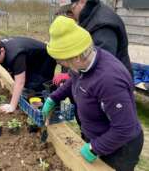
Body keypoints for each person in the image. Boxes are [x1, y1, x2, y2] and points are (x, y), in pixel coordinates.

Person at [43, 16, 143, 171]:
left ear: (76, 57)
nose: (60, 64)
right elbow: (74, 80)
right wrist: (54, 98)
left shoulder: (109, 80)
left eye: (61, 61)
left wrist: (95, 148)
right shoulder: (83, 63)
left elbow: (125, 128)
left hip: (120, 148)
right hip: (97, 135)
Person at [53, 0, 132, 85]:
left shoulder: (103, 25)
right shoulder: (86, 18)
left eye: (70, 12)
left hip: (114, 83)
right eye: (65, 13)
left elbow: (100, 62)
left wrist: (70, 74)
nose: (69, 17)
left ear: (82, 2)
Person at [0, 37, 56, 113]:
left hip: (44, 60)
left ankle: (47, 107)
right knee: (27, 82)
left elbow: (20, 82)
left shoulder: (16, 55)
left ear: (2, 51)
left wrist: (12, 106)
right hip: (30, 58)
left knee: (37, 85)